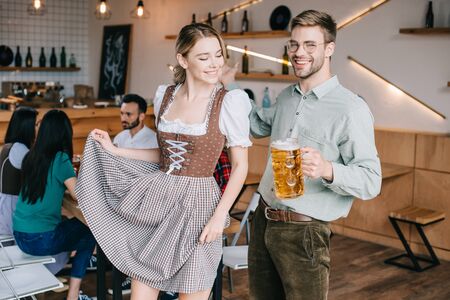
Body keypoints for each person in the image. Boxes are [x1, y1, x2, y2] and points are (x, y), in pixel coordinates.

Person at [75, 23, 251, 300]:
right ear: (183, 59)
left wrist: (220, 217)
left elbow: (241, 167)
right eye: (204, 57)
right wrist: (116, 151)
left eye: (218, 54)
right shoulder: (165, 96)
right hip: (158, 199)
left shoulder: (229, 102)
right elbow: (163, 154)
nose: (215, 64)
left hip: (200, 206)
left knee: (191, 293)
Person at [241, 10, 382, 300]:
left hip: (304, 232)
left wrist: (328, 168)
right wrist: (226, 93)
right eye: (293, 44)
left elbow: (371, 180)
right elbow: (255, 125)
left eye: (309, 45)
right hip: (263, 219)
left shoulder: (350, 109)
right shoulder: (286, 97)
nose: (298, 52)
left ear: (330, 48)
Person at [13, 110, 96, 300]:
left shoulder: (31, 157)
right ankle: (73, 294)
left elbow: (47, 189)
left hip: (20, 235)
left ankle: (71, 278)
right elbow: (80, 195)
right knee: (89, 231)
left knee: (71, 223)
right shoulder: (60, 158)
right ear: (64, 133)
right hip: (40, 239)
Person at [0, 107, 37, 236]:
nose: (38, 128)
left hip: (5, 208)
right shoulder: (20, 150)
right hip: (11, 214)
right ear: (27, 127)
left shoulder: (9, 146)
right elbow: (39, 178)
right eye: (36, 124)